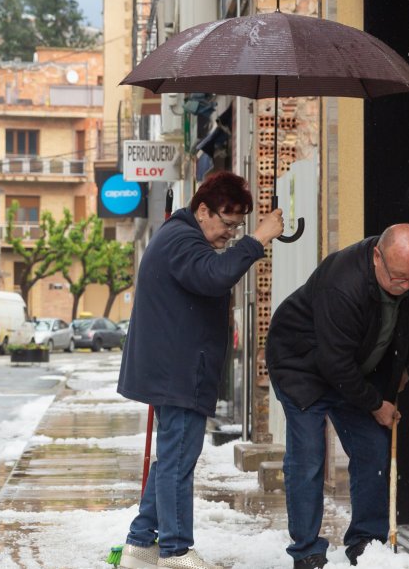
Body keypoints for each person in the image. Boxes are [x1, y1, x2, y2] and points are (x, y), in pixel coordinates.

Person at [116, 171, 284, 569]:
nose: (230, 233)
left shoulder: (181, 236)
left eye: (237, 226)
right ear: (203, 210)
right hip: (178, 372)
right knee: (177, 462)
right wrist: (257, 238)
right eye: (227, 223)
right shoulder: (182, 240)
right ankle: (175, 550)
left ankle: (140, 544)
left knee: (173, 459)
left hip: (177, 370)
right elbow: (215, 276)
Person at [265, 224, 409, 569]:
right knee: (309, 456)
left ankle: (366, 542)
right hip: (302, 366)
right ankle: (307, 551)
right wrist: (376, 404)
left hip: (353, 370)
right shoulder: (342, 284)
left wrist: (402, 370)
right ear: (377, 257)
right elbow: (334, 363)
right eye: (399, 278)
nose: (406, 286)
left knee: (373, 449)